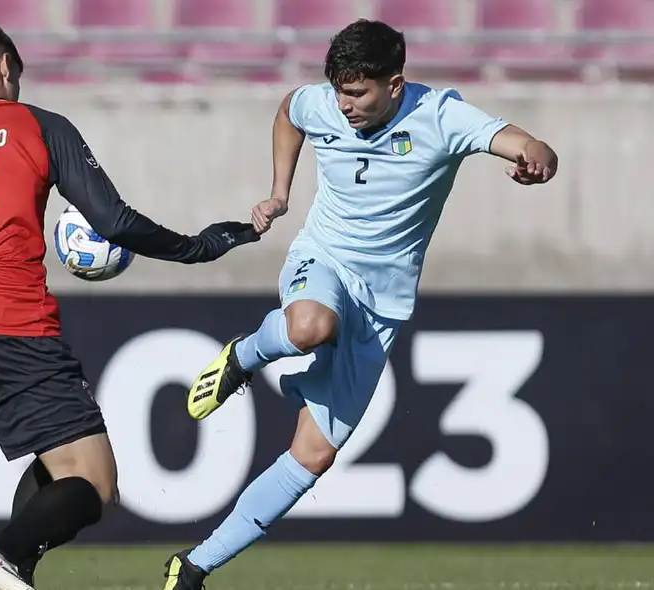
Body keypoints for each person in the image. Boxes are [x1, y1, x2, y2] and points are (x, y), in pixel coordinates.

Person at [162, 19, 558, 590]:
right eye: (339, 92)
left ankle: (195, 565)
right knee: (309, 324)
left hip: (383, 308)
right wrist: (280, 191)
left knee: (313, 455)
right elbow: (289, 111)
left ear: (395, 85)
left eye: (357, 94)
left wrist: (540, 158)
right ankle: (245, 356)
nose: (343, 106)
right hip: (322, 261)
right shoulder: (323, 103)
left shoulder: (441, 116)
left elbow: (522, 141)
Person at [0, 19, 259, 590]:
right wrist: (200, 246)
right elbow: (115, 222)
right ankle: (0, 555)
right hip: (13, 328)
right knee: (96, 482)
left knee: (59, 463)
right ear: (7, 67)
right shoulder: (37, 126)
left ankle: (12, 569)